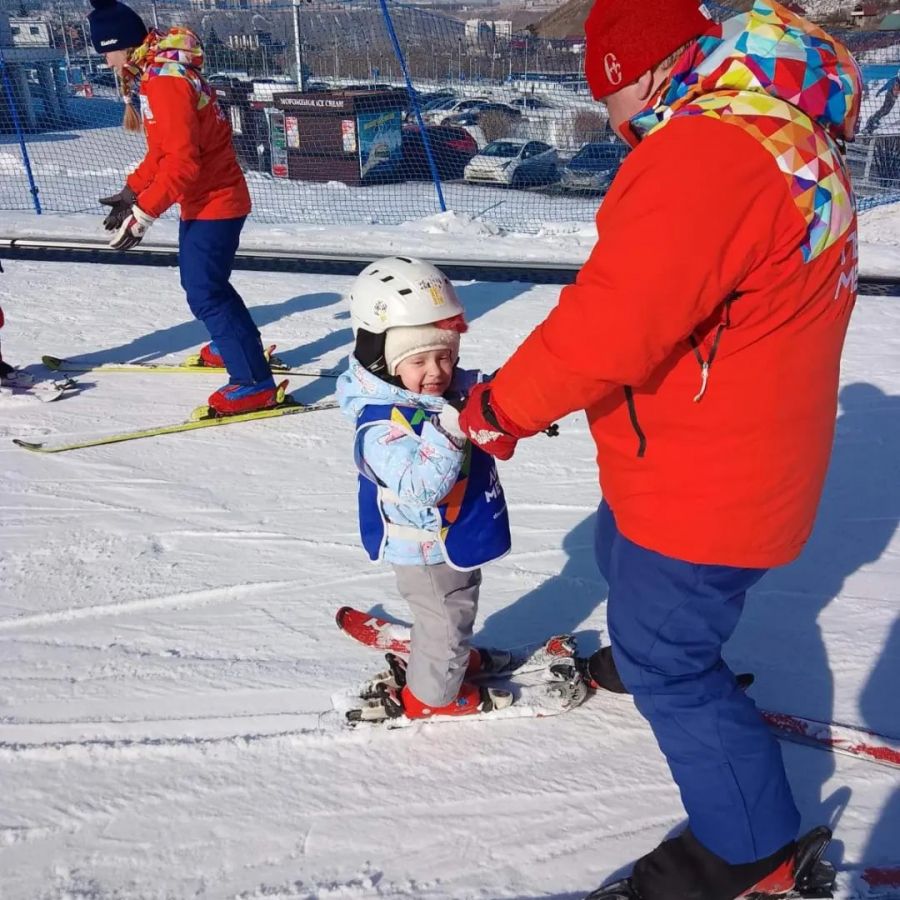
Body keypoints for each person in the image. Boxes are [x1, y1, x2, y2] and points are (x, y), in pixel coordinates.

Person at [458, 1, 861, 897]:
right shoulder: (775, 132)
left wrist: (499, 411)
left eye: (606, 91)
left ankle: (748, 849)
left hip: (712, 483)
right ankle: (643, 656)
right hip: (718, 454)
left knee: (671, 650)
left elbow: (609, 329)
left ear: (644, 71)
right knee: (617, 551)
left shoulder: (708, 157)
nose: (606, 117)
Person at [336, 256, 514, 721]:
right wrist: (450, 432)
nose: (437, 371)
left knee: (458, 604)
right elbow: (420, 488)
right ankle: (431, 695)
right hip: (426, 552)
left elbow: (486, 390)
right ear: (385, 359)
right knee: (445, 616)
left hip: (449, 543)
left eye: (445, 355)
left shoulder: (436, 393)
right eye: (418, 360)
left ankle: (447, 651)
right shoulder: (379, 426)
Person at [87, 0, 276, 416]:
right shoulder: (158, 71)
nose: (106, 60)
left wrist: (144, 215)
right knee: (208, 285)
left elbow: (183, 162)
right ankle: (235, 347)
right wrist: (131, 192)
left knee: (205, 290)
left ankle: (253, 382)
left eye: (106, 50)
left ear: (120, 44)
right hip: (208, 199)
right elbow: (163, 151)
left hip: (216, 201)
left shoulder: (163, 82)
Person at [863, 69, 900, 134]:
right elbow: (886, 86)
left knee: (887, 111)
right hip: (889, 95)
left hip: (894, 97)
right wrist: (879, 91)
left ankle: (877, 118)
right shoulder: (894, 79)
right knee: (884, 109)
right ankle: (873, 119)